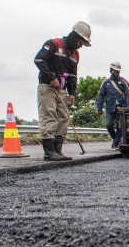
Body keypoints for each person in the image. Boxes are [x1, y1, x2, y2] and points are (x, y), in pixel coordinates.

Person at [34, 22, 92, 161]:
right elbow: (39, 60)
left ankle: (58, 150)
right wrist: (51, 77)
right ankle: (49, 152)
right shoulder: (54, 44)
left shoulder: (75, 55)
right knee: (49, 116)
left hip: (62, 89)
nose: (80, 45)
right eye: (80, 42)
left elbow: (72, 75)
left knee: (63, 118)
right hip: (47, 86)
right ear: (74, 36)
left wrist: (71, 92)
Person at [96, 62, 129, 150]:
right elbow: (101, 96)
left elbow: (127, 94)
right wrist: (99, 109)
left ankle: (116, 143)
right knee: (108, 125)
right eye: (115, 71)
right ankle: (115, 138)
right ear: (111, 71)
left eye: (118, 71)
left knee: (119, 126)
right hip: (110, 107)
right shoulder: (106, 83)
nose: (116, 73)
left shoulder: (123, 82)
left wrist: (128, 107)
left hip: (122, 108)